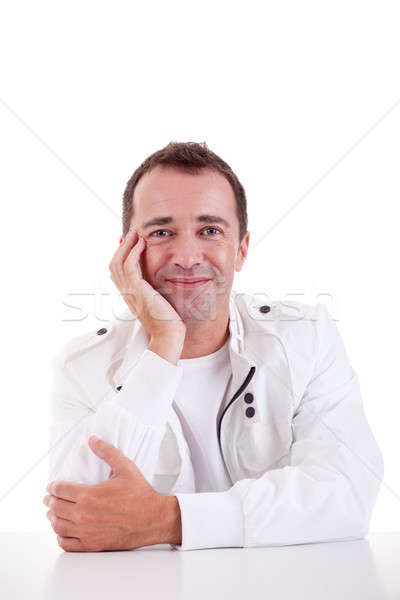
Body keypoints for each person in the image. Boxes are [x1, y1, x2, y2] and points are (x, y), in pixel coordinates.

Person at [44, 141, 384, 553]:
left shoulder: (306, 339)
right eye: (162, 232)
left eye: (210, 231)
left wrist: (169, 520)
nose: (187, 257)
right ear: (128, 253)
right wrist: (165, 341)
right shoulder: (81, 367)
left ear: (241, 248)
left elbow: (347, 494)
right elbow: (80, 519)